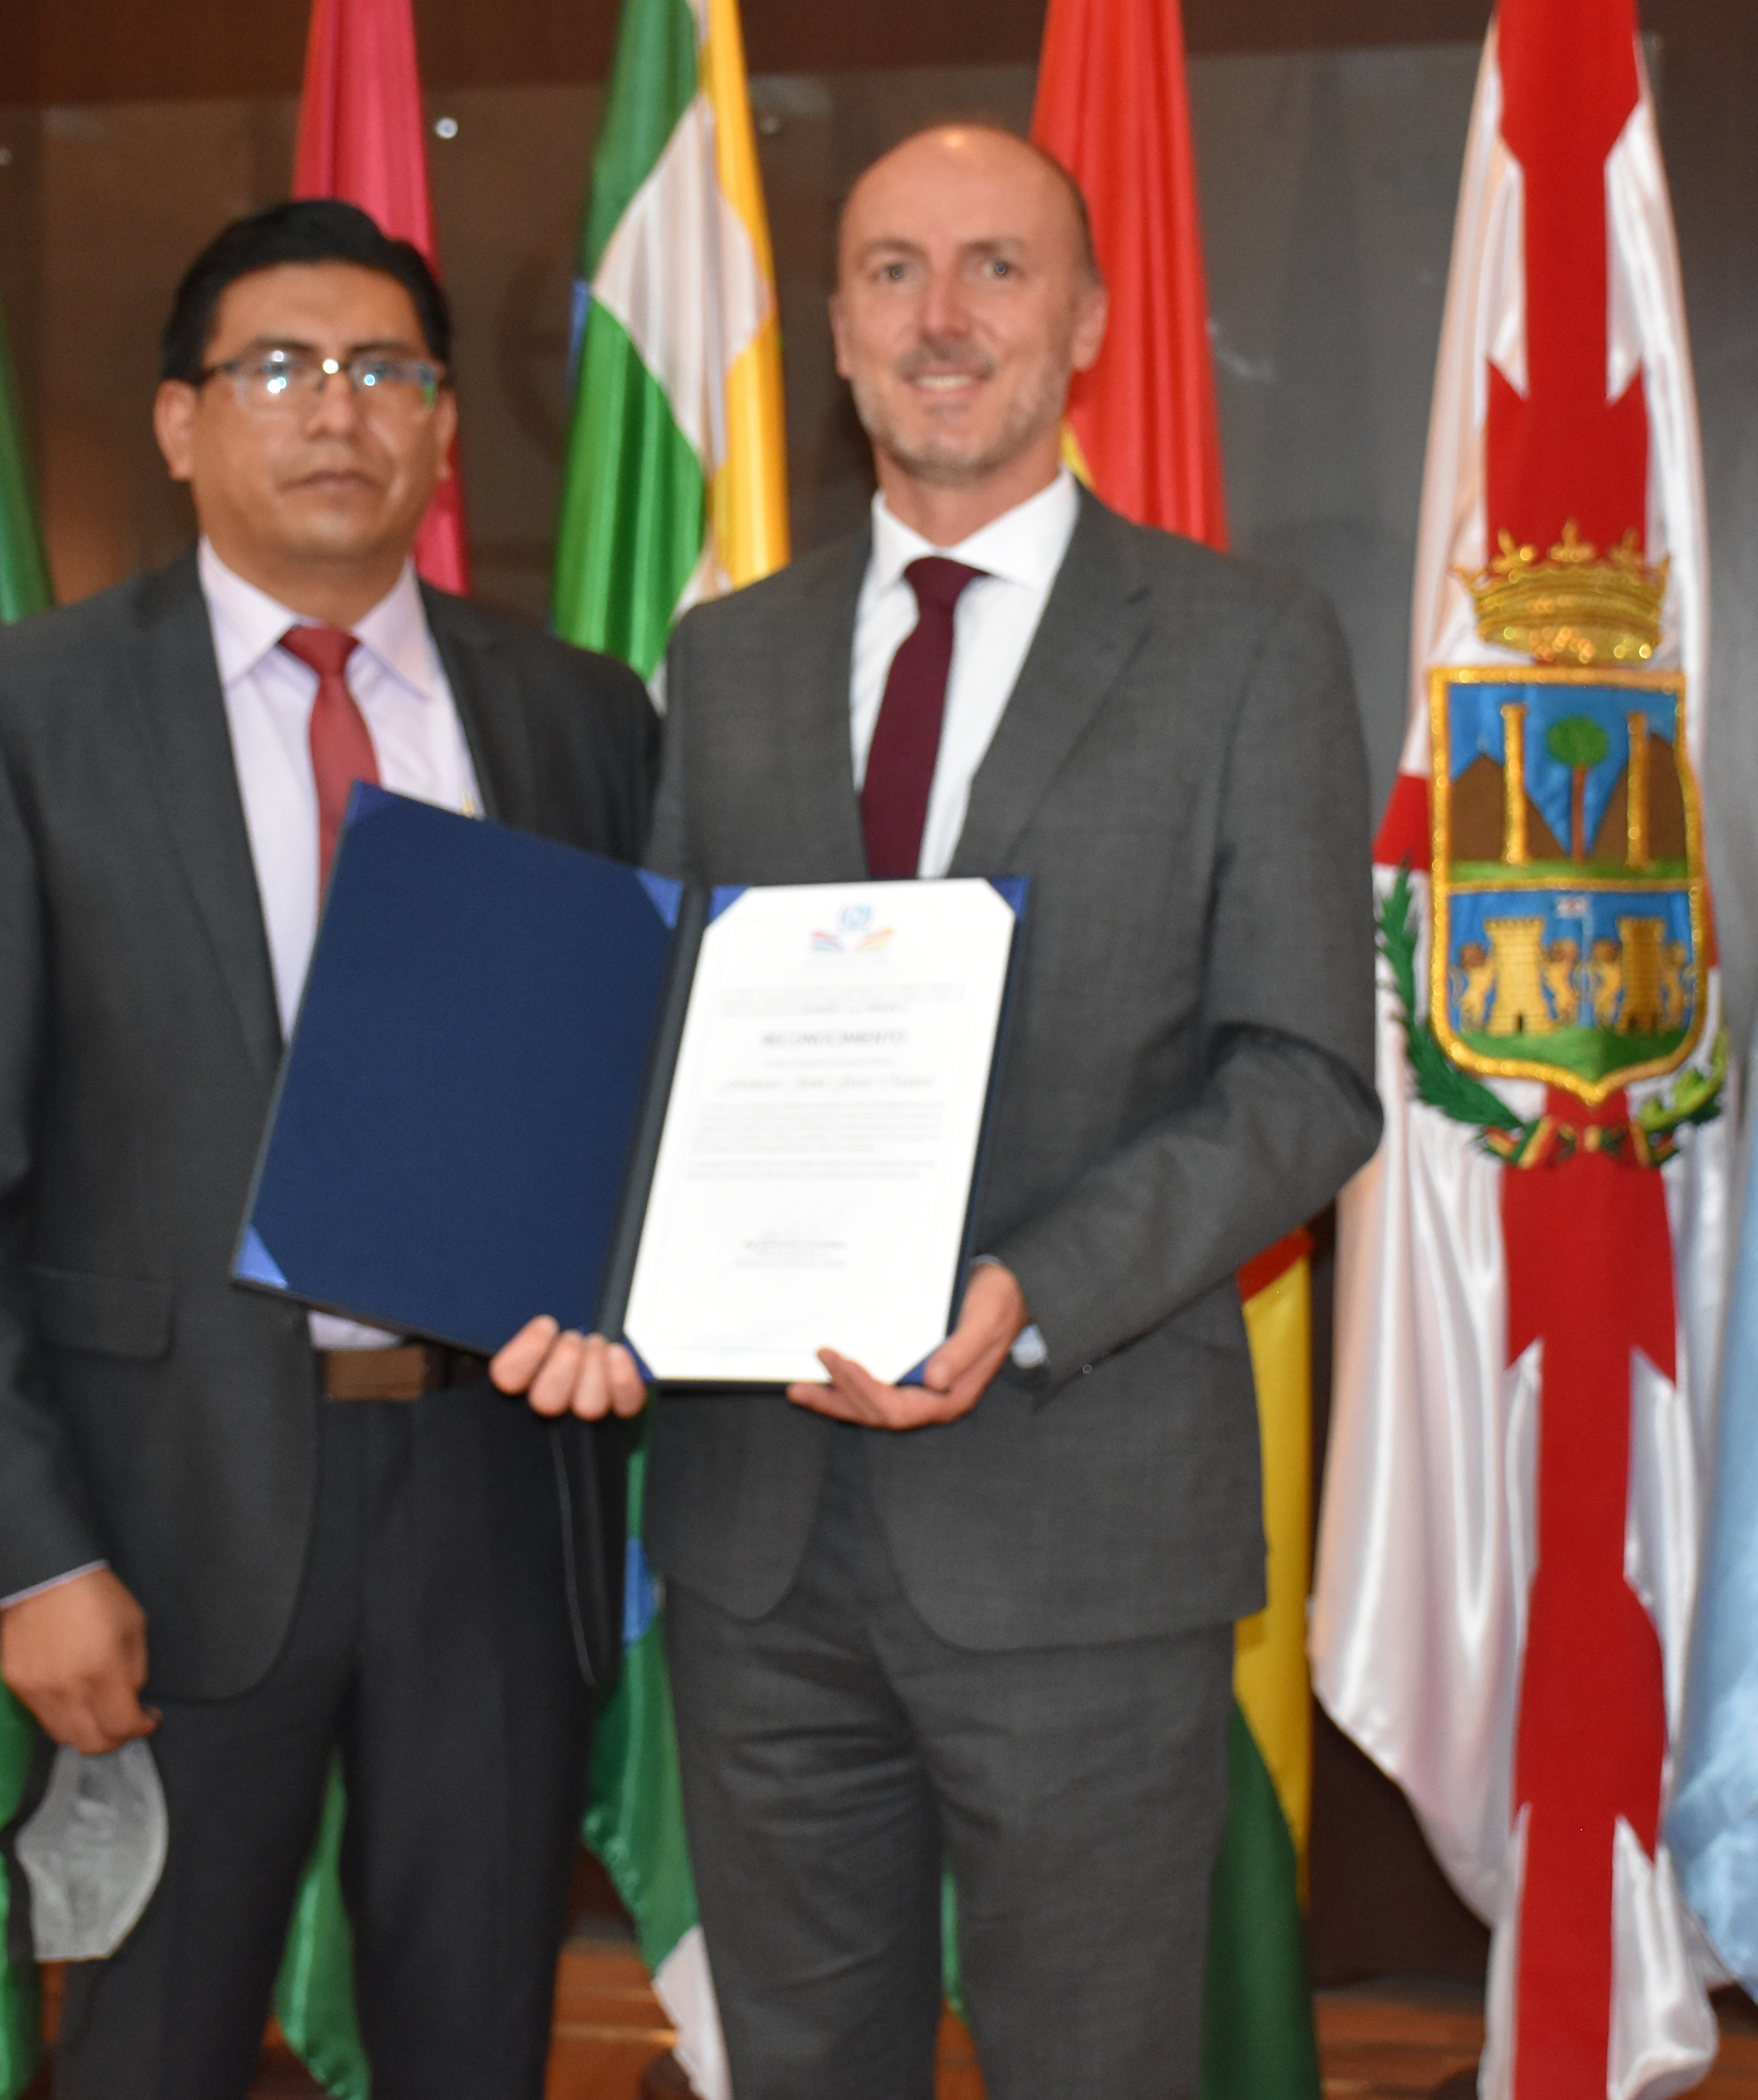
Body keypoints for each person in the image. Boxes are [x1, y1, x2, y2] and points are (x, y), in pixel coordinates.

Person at [498, 124, 1381, 2098]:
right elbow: (667, 1054)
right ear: (833, 331)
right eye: (894, 272)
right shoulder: (728, 660)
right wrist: (581, 1263)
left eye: (998, 268)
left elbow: (1308, 1077)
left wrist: (1027, 1290)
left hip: (1080, 1533)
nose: (945, 316)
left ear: (1085, 321)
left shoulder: (1248, 648)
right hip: (759, 1543)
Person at [0, 199, 653, 2100]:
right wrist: (37, 1555)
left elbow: (634, 1098)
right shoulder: (27, 709)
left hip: (494, 1487)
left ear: (448, 430)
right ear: (177, 421)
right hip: (159, 1519)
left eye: (387, 371)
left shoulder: (574, 716)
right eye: (279, 368)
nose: (337, 413)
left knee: (474, 2039)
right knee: (148, 2052)